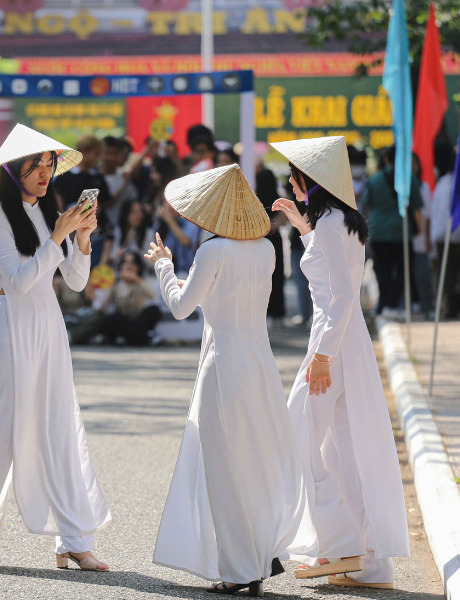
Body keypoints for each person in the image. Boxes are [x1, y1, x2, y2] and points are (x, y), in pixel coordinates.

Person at [0, 124, 110, 570]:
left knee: (59, 429)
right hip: (11, 330)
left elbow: (75, 281)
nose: (46, 172)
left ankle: (73, 539)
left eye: (50, 163)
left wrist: (81, 238)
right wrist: (57, 237)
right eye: (37, 165)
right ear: (14, 171)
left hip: (48, 327)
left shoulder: (51, 216)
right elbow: (18, 283)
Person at [148, 163, 305, 594]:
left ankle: (239, 568)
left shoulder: (212, 251)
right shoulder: (266, 248)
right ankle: (257, 555)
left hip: (223, 366)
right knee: (254, 461)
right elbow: (229, 296)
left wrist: (163, 267)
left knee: (224, 467)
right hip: (259, 363)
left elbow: (181, 306)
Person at [271, 136, 409, 588]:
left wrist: (323, 355)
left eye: (294, 177)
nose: (290, 183)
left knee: (299, 437)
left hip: (333, 342)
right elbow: (332, 274)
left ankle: (342, 545)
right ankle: (369, 565)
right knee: (345, 450)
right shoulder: (340, 220)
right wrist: (301, 225)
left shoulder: (331, 225)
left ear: (311, 181)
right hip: (346, 340)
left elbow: (343, 295)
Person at [363, 146, 423, 319]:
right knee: (403, 270)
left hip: (378, 231)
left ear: (386, 159)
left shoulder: (374, 179)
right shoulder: (409, 179)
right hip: (400, 230)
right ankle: (390, 303)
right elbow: (416, 208)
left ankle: (383, 304)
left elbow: (367, 205)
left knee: (382, 269)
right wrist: (419, 228)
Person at [430, 143, 460, 319]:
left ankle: (449, 306)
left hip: (442, 234)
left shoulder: (442, 182)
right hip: (459, 235)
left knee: (447, 273)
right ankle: (457, 304)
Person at [102, 251, 161, 346]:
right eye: (125, 263)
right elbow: (104, 303)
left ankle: (133, 337)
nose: (129, 267)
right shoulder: (117, 282)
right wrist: (113, 282)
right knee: (111, 319)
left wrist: (136, 280)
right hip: (123, 319)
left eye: (133, 263)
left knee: (154, 311)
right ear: (121, 266)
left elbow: (152, 295)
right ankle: (143, 338)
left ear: (138, 267)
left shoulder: (143, 280)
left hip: (139, 319)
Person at [256, 161, 286, 324]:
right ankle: (278, 314)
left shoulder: (254, 200)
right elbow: (283, 222)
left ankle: (263, 313)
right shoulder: (278, 200)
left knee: (261, 278)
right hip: (275, 240)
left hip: (259, 241)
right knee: (277, 276)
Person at [53, 135, 110, 210]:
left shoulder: (98, 176)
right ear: (83, 151)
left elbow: (104, 201)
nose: (98, 157)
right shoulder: (63, 176)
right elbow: (58, 203)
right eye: (96, 153)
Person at [410, 153, 435, 318]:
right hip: (403, 238)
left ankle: (427, 307)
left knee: (422, 274)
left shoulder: (423, 187)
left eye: (415, 163)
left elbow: (427, 215)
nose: (413, 166)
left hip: (419, 239)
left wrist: (426, 237)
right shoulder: (399, 186)